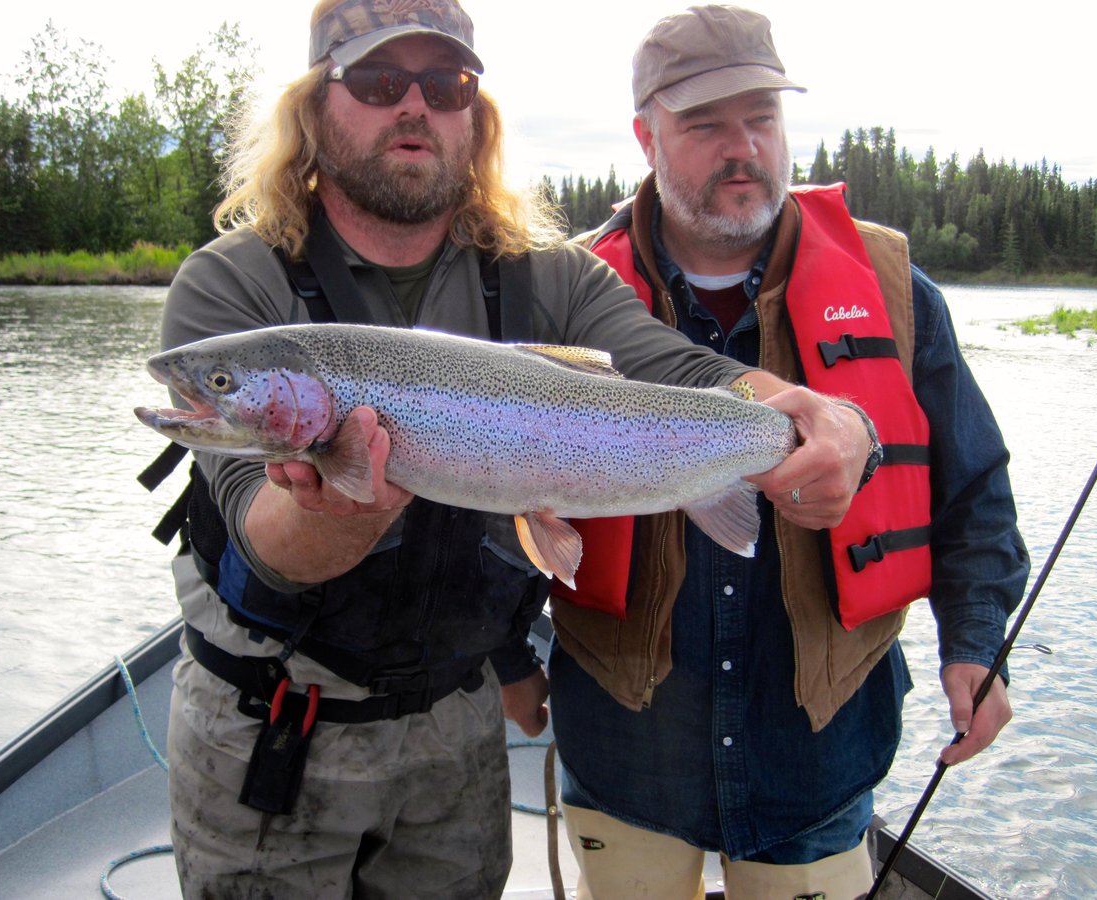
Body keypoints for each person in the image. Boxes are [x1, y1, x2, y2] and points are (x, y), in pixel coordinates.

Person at [154, 1, 875, 896]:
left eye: (446, 85)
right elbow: (264, 548)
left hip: (458, 735)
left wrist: (827, 421)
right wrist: (342, 507)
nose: (413, 106)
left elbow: (688, 374)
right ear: (313, 108)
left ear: (476, 115)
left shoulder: (549, 276)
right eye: (380, 83)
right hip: (272, 728)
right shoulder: (233, 283)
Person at [546, 6, 1031, 899]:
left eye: (761, 118)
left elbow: (974, 488)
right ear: (644, 135)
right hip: (625, 752)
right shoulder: (571, 297)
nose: (745, 148)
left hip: (818, 755)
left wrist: (975, 643)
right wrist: (504, 659)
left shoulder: (895, 288)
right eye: (704, 124)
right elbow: (499, 485)